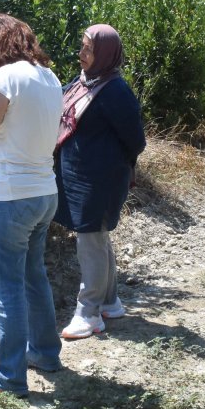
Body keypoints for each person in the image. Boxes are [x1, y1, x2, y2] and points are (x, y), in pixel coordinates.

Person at [0, 13, 64, 396]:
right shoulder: (49, 76)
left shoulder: (6, 77)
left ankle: (7, 376)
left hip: (9, 197)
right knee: (33, 277)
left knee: (6, 287)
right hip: (44, 193)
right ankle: (44, 352)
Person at [54, 24, 146, 340]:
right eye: (82, 47)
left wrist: (113, 167)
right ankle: (110, 301)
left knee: (89, 240)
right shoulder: (84, 84)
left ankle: (89, 312)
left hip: (100, 180)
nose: (82, 54)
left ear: (105, 54)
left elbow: (136, 139)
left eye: (89, 49)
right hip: (81, 177)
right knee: (97, 237)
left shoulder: (115, 91)